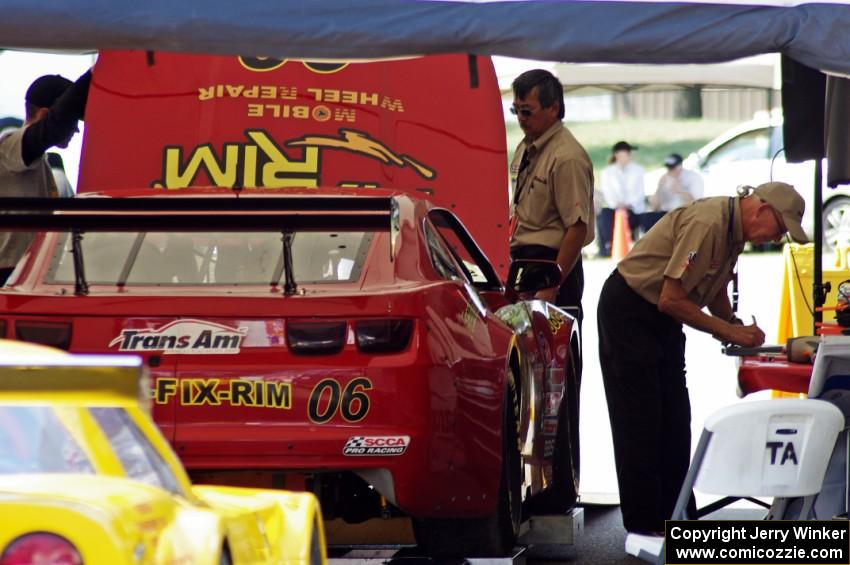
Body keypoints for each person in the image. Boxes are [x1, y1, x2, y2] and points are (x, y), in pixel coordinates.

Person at [597, 181, 808, 537]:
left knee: (676, 421)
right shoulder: (709, 223)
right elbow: (671, 298)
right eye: (780, 228)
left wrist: (732, 324)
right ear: (761, 210)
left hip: (660, 318)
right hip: (631, 311)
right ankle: (646, 529)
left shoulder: (732, 231)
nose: (777, 238)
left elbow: (714, 289)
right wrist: (727, 332)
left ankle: (676, 517)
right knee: (641, 422)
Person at [508, 69, 595, 330]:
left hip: (553, 265)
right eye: (516, 111)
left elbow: (577, 228)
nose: (521, 119)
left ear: (553, 108)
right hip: (525, 263)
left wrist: (552, 284)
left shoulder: (567, 157)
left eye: (527, 111)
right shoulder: (526, 147)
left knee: (556, 356)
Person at [0, 70, 91, 285]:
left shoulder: (38, 162)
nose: (76, 130)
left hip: (23, 271)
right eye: (72, 120)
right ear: (42, 115)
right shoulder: (10, 146)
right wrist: (94, 73)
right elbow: (53, 127)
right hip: (6, 272)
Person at [596, 141, 646, 256]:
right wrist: (618, 205)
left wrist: (628, 205)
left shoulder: (638, 170)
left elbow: (640, 193)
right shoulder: (607, 172)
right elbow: (608, 194)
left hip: (633, 209)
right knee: (605, 214)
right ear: (618, 155)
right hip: (615, 209)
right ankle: (609, 246)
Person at [642, 152, 705, 232]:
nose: (670, 171)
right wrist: (659, 188)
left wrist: (680, 191)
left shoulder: (693, 178)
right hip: (667, 214)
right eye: (669, 168)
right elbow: (655, 207)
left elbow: (696, 204)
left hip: (685, 213)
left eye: (673, 168)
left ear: (680, 167)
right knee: (647, 218)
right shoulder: (665, 179)